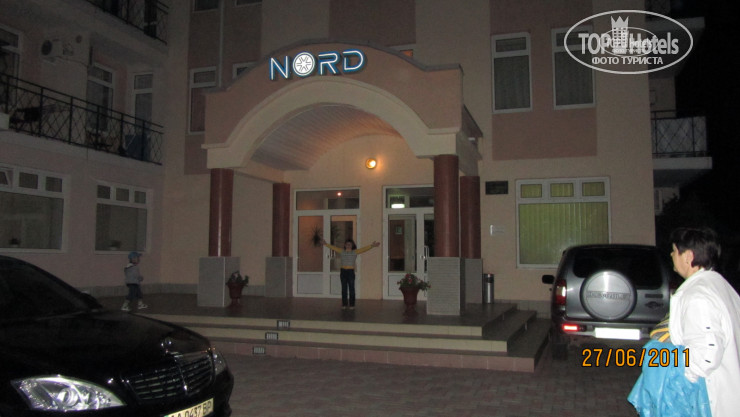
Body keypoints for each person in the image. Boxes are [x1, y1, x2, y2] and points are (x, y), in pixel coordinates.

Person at [667, 227, 740, 417]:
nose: (671, 255)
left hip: (713, 401)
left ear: (688, 256)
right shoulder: (719, 285)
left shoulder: (697, 296)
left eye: (674, 250)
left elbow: (707, 354)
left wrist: (683, 380)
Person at [322, 238, 379, 310]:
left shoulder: (355, 252)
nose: (348, 245)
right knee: (344, 289)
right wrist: (326, 244)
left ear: (352, 245)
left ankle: (352, 304)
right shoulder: (341, 251)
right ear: (345, 245)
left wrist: (372, 246)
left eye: (350, 244)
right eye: (347, 244)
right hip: (343, 271)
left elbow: (363, 249)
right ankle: (344, 304)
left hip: (350, 272)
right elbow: (334, 248)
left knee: (351, 288)